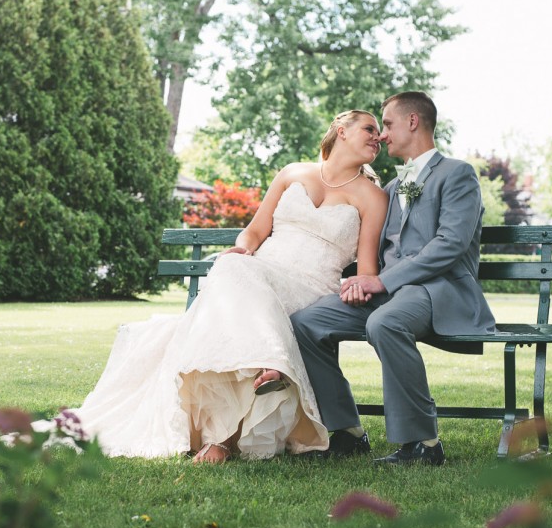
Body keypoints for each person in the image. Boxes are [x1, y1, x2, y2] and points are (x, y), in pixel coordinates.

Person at [72, 110, 387, 463]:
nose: (378, 137)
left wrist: (361, 283)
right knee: (233, 268)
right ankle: (243, 402)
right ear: (341, 131)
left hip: (310, 288)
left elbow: (367, 266)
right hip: (261, 273)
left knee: (238, 286)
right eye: (369, 129)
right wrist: (243, 247)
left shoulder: (372, 196)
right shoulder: (292, 173)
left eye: (380, 132)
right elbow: (254, 231)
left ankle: (226, 432)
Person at [291, 91, 496, 466]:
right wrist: (355, 280)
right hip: (391, 291)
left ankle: (424, 444)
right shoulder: (390, 187)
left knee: (385, 323)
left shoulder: (457, 174)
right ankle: (348, 431)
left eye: (386, 124)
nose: (382, 136)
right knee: (306, 322)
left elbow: (450, 244)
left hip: (440, 289)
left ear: (412, 122)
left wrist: (383, 282)